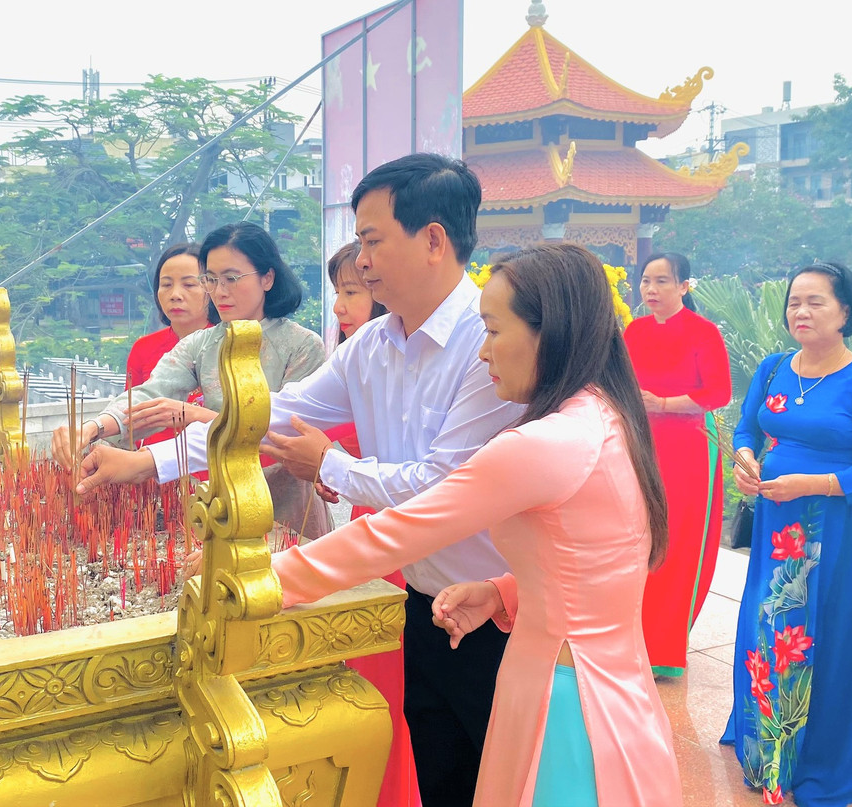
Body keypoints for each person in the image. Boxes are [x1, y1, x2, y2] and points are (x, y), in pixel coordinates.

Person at [70, 153, 524, 807]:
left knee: (505, 782)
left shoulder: (488, 341)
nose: (360, 261)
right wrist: (145, 462)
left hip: (494, 613)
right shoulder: (370, 346)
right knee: (442, 771)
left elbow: (443, 487)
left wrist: (329, 465)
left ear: (432, 239)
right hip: (423, 604)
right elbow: (267, 415)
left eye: (372, 241)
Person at [274, 243, 681, 807]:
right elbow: (600, 560)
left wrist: (267, 580)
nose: (483, 352)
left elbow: (401, 529)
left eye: (492, 331)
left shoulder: (543, 443)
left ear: (549, 332)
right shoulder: (606, 415)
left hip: (561, 698)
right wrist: (503, 591)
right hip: (609, 688)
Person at [725, 261, 852, 807]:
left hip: (837, 536)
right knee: (771, 627)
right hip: (778, 530)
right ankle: (767, 748)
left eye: (816, 302)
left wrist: (815, 482)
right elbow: (748, 426)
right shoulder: (775, 368)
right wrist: (746, 457)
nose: (800, 311)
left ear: (846, 311)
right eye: (794, 301)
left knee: (825, 636)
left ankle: (818, 757)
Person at [57, 221, 331, 538]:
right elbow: (150, 393)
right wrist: (93, 428)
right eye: (211, 280)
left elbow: (288, 437)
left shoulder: (302, 346)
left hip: (284, 505)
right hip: (221, 498)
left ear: (267, 278)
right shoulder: (200, 344)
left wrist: (201, 417)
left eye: (231, 278)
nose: (220, 291)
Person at [317, 240, 416, 807]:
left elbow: (432, 478)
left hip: (405, 533)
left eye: (352, 291)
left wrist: (331, 463)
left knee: (396, 681)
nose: (342, 306)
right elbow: (291, 413)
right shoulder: (359, 354)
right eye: (340, 293)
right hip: (367, 528)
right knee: (371, 676)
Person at [624, 252, 731, 677]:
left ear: (685, 286)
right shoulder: (633, 330)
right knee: (637, 538)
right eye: (646, 281)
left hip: (688, 449)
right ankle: (628, 642)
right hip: (640, 443)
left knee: (677, 542)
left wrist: (665, 403)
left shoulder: (703, 333)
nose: (651, 290)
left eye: (662, 281)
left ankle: (666, 649)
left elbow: (718, 392)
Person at [124, 243, 212, 447]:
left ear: (212, 288)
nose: (175, 295)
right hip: (153, 470)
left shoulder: (227, 344)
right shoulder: (143, 348)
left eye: (189, 285)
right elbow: (130, 418)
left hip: (212, 470)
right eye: (166, 285)